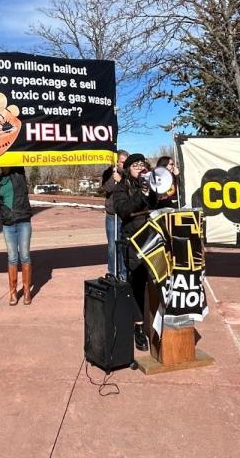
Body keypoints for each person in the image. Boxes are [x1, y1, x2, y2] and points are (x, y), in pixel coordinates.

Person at [112, 153, 157, 351]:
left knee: (156, 284)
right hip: (134, 242)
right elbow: (124, 210)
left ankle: (158, 326)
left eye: (142, 164)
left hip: (154, 239)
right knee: (137, 286)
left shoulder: (151, 183)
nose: (140, 167)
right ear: (128, 169)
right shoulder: (122, 187)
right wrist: (143, 194)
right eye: (135, 165)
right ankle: (138, 327)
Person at [0, 167, 34, 305]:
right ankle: (13, 292)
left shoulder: (19, 174)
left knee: (25, 256)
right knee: (12, 258)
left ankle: (27, 290)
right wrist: (6, 214)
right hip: (8, 224)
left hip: (23, 221)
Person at [101, 150, 129, 280]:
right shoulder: (108, 173)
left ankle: (124, 273)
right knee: (112, 246)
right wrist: (113, 177)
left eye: (126, 161)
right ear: (116, 162)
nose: (125, 164)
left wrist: (122, 180)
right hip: (112, 216)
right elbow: (107, 188)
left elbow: (132, 190)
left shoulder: (129, 174)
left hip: (124, 215)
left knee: (123, 246)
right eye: (123, 162)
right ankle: (113, 273)